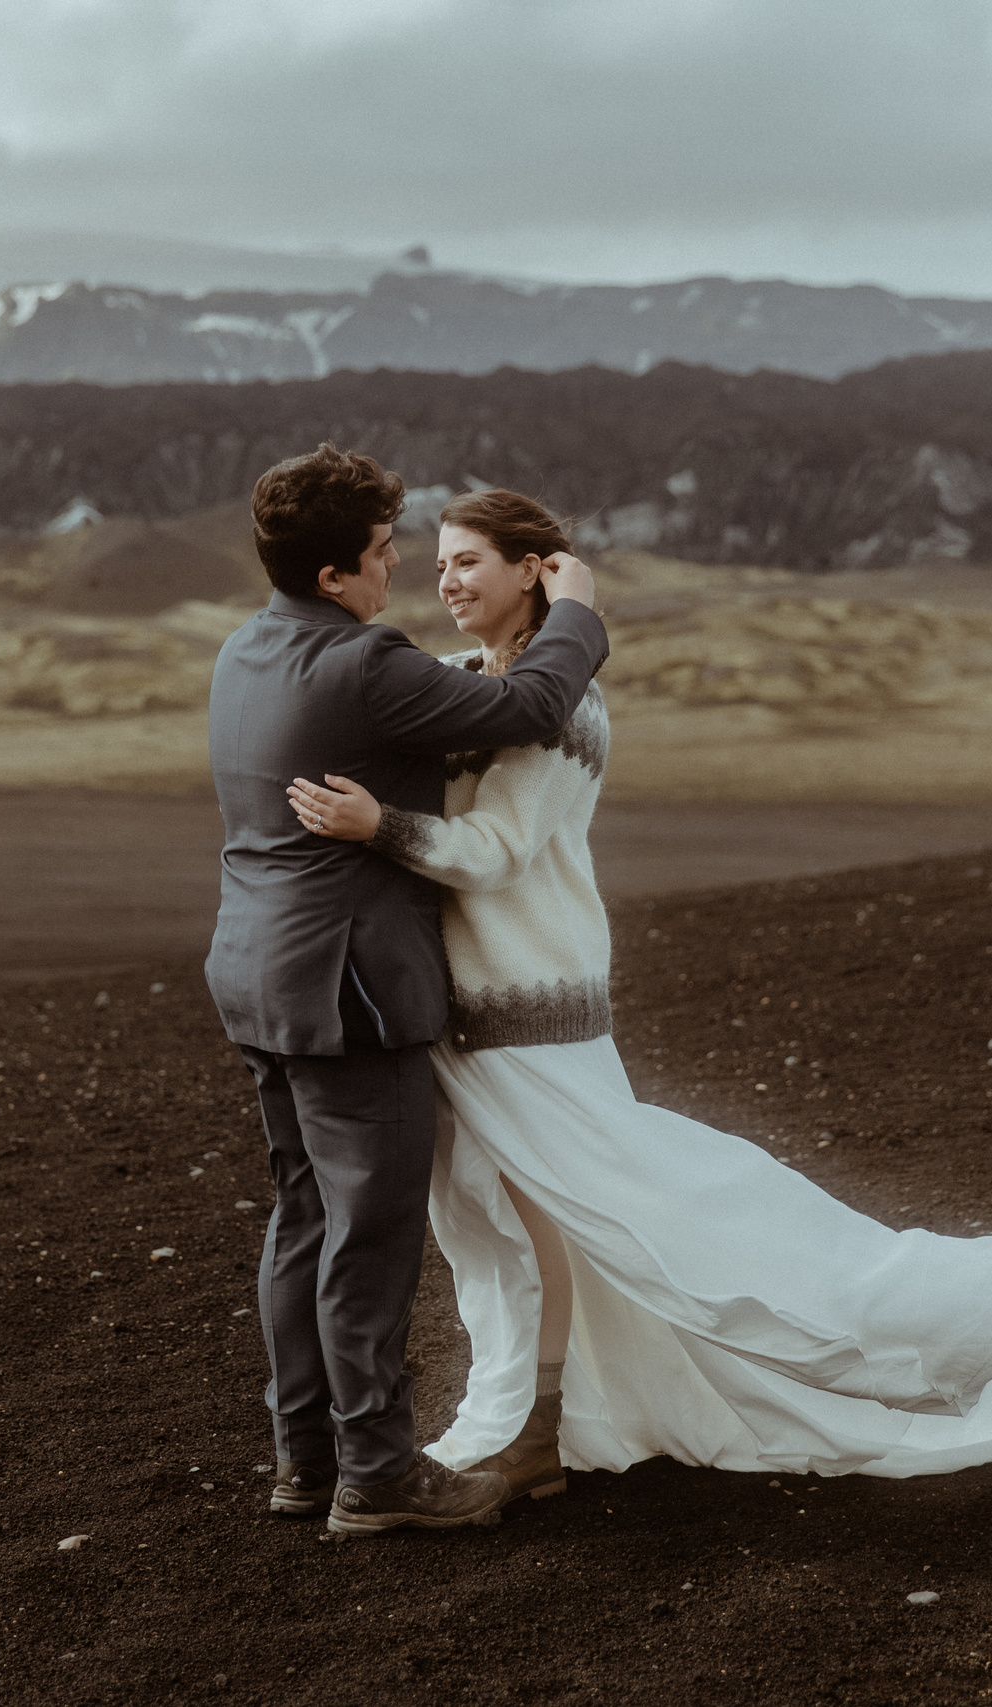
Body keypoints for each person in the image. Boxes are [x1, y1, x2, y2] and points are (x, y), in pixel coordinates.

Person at [288, 488, 992, 1506]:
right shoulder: (459, 680)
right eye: (438, 564)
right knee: (499, 1224)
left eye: (469, 563)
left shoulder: (569, 707)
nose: (445, 582)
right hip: (463, 1012)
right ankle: (538, 1416)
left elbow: (498, 853)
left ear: (535, 571)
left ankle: (546, 1429)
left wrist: (381, 831)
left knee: (599, 1213)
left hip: (530, 1011)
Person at [205, 445, 612, 1536]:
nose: (402, 574)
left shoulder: (245, 650)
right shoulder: (363, 662)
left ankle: (304, 1462)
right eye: (387, 555)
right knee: (366, 1239)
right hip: (350, 993)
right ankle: (377, 1476)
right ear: (337, 575)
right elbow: (533, 708)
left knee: (300, 1221)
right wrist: (577, 609)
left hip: (254, 976)